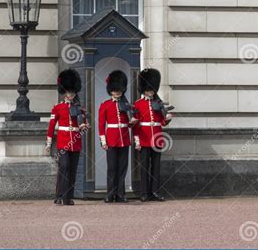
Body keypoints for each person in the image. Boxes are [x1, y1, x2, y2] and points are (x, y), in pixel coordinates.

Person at [46, 69, 89, 206]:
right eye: (69, 92)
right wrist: (48, 142)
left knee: (72, 169)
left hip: (75, 142)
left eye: (72, 92)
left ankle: (68, 197)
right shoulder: (57, 108)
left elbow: (85, 125)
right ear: (64, 92)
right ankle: (59, 195)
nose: (70, 95)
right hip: (63, 141)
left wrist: (84, 127)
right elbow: (52, 126)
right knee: (63, 167)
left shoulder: (80, 108)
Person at [133, 68, 173, 202]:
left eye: (151, 90)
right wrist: (137, 140)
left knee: (156, 166)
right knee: (144, 167)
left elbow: (161, 121)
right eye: (148, 90)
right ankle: (144, 193)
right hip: (144, 138)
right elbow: (136, 125)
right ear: (143, 89)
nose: (150, 92)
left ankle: (155, 191)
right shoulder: (138, 104)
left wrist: (167, 119)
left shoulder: (158, 103)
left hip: (157, 138)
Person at [98, 70, 138, 203]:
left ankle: (120, 194)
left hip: (124, 140)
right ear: (111, 90)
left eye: (120, 90)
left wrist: (132, 123)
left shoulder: (126, 105)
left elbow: (130, 124)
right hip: (111, 139)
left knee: (122, 168)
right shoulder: (105, 105)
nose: (118, 92)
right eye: (115, 90)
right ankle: (110, 194)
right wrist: (103, 141)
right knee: (112, 168)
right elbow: (101, 125)